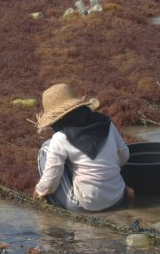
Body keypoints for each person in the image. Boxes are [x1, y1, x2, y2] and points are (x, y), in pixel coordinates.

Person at [33, 83, 134, 211]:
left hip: (85, 205)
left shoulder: (60, 138)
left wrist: (38, 191)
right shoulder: (106, 124)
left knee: (46, 148)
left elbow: (51, 183)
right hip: (117, 197)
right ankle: (124, 190)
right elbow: (125, 155)